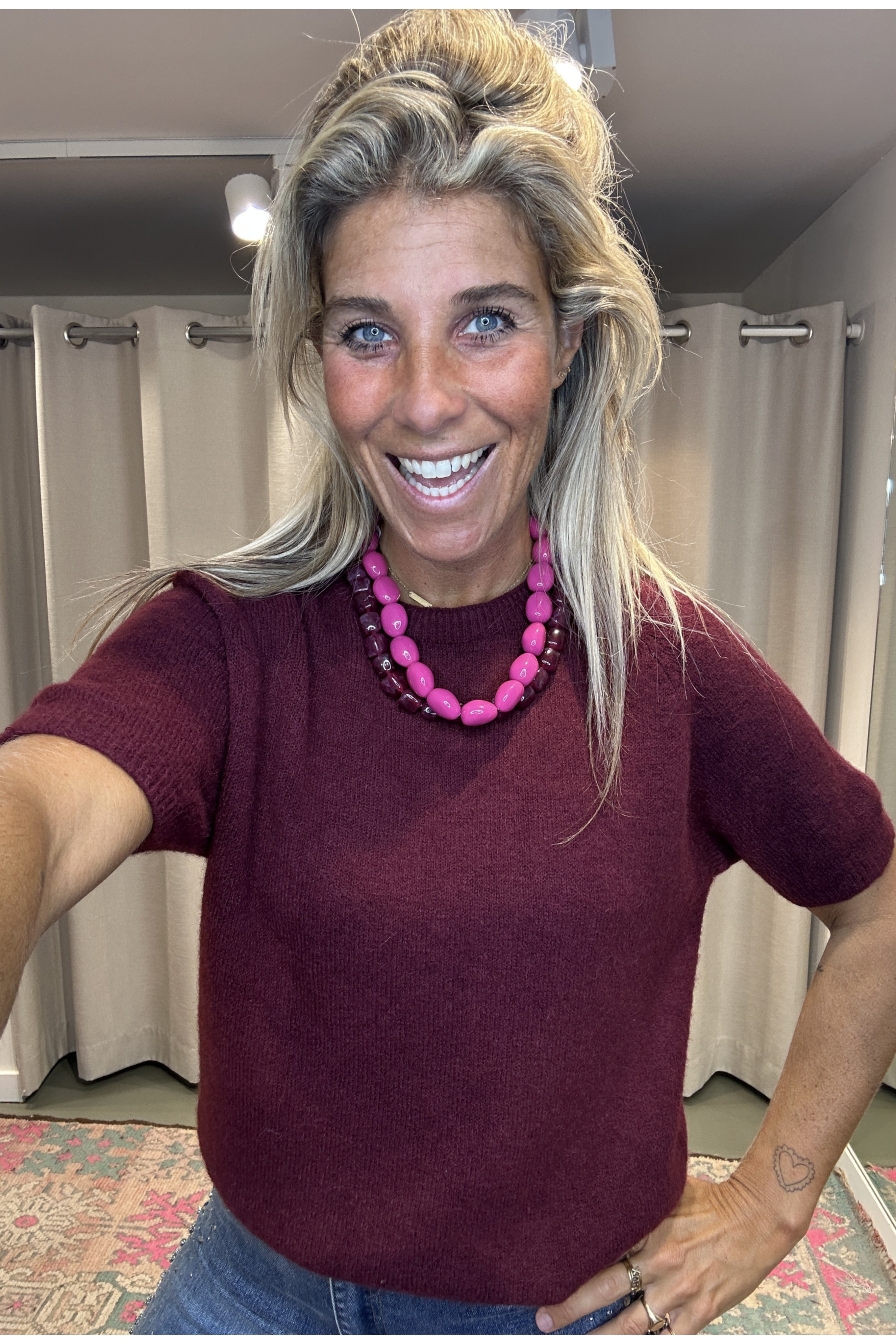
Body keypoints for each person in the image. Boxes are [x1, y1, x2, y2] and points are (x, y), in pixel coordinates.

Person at [1, 9, 895, 1336]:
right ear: (319, 361)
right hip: (252, 1292)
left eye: (485, 321)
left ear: (569, 340)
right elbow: (41, 797)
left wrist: (774, 1194)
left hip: (550, 1314)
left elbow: (880, 908)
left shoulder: (673, 669)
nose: (424, 400)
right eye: (368, 333)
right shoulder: (231, 644)